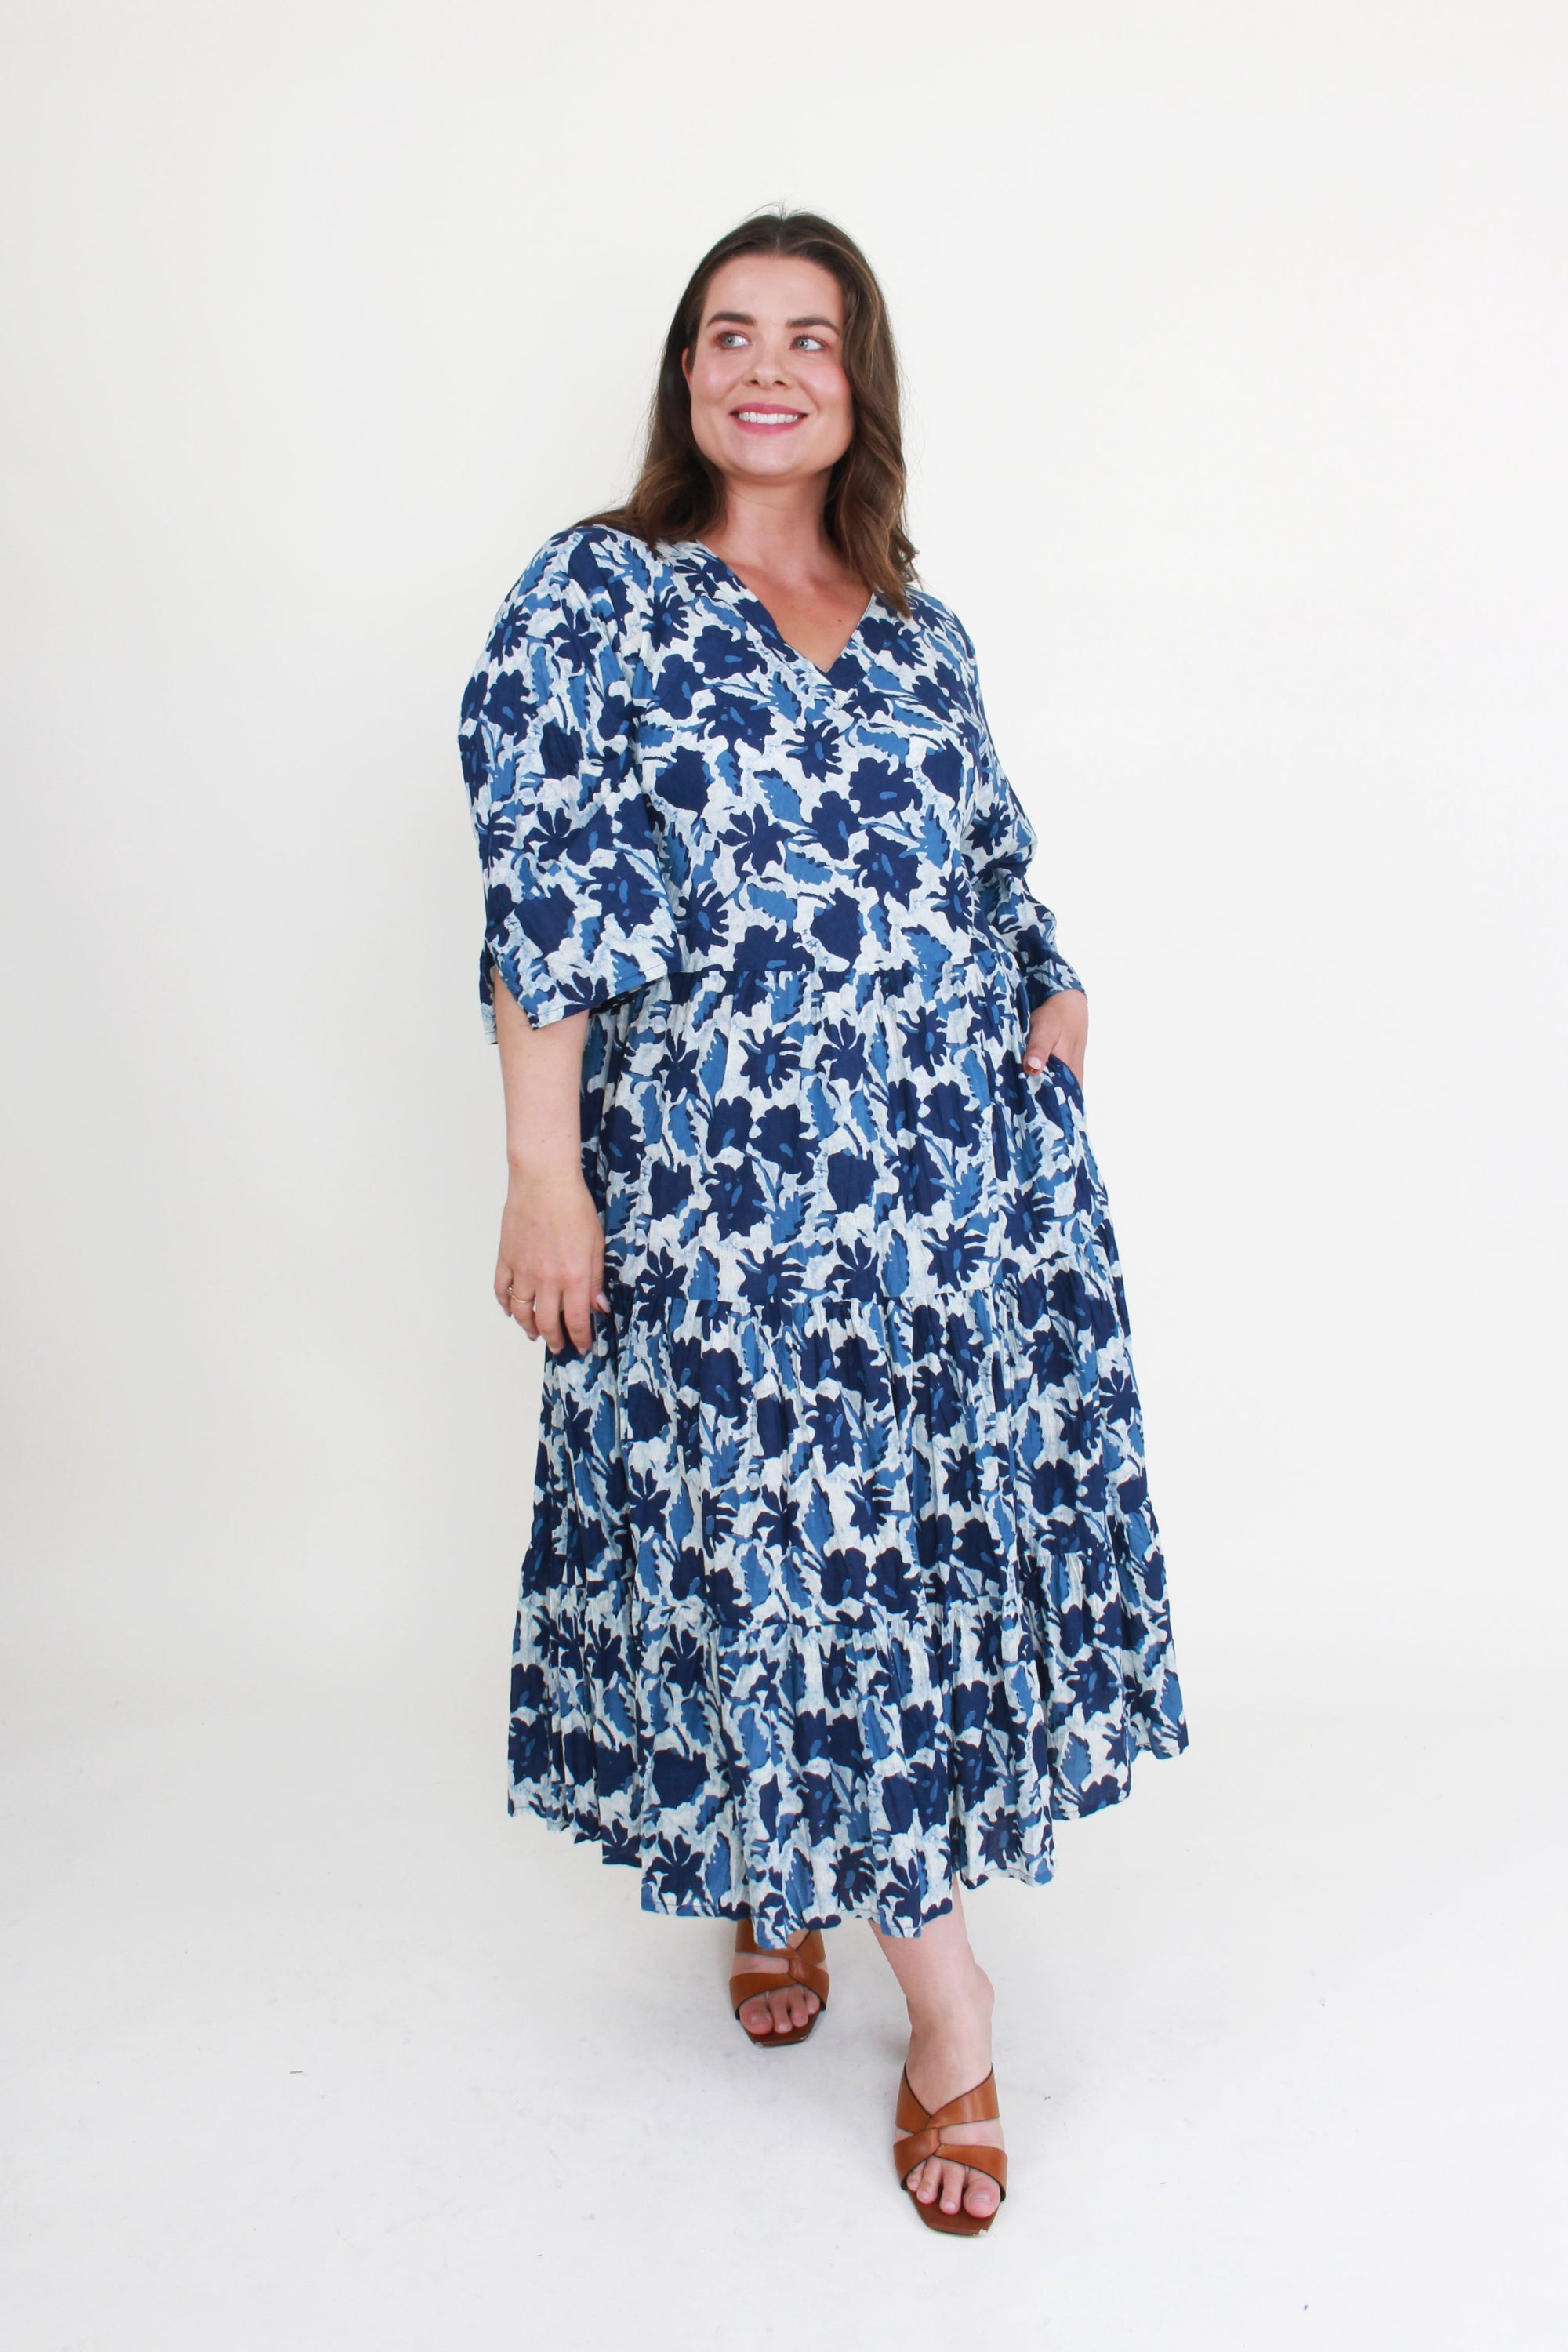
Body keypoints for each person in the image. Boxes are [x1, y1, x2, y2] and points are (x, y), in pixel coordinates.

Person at [458, 208, 1189, 2237]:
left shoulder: (920, 628)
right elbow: (545, 890)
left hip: (942, 1201)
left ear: (857, 384)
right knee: (775, 1568)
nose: (765, 366)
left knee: (888, 1579)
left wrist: (1048, 983)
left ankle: (785, 1880)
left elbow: (995, 866)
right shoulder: (598, 599)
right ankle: (949, 2012)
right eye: (729, 333)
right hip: (721, 1207)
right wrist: (547, 1167)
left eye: (810, 337)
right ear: (688, 375)